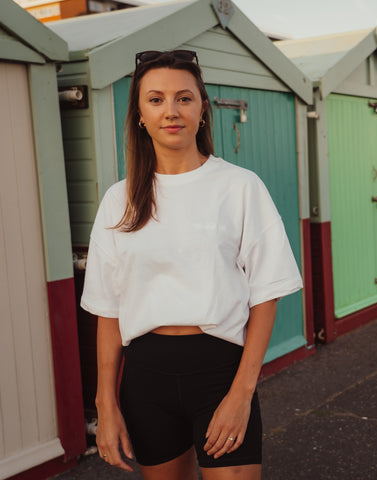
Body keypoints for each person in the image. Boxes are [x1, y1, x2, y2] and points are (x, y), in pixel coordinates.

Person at [80, 49, 303, 480]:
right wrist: (105, 406)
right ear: (140, 115)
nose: (171, 111)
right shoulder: (118, 200)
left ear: (202, 109)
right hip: (145, 379)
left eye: (184, 98)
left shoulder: (239, 187)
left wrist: (242, 393)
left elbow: (266, 294)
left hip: (219, 372)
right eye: (156, 99)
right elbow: (107, 309)